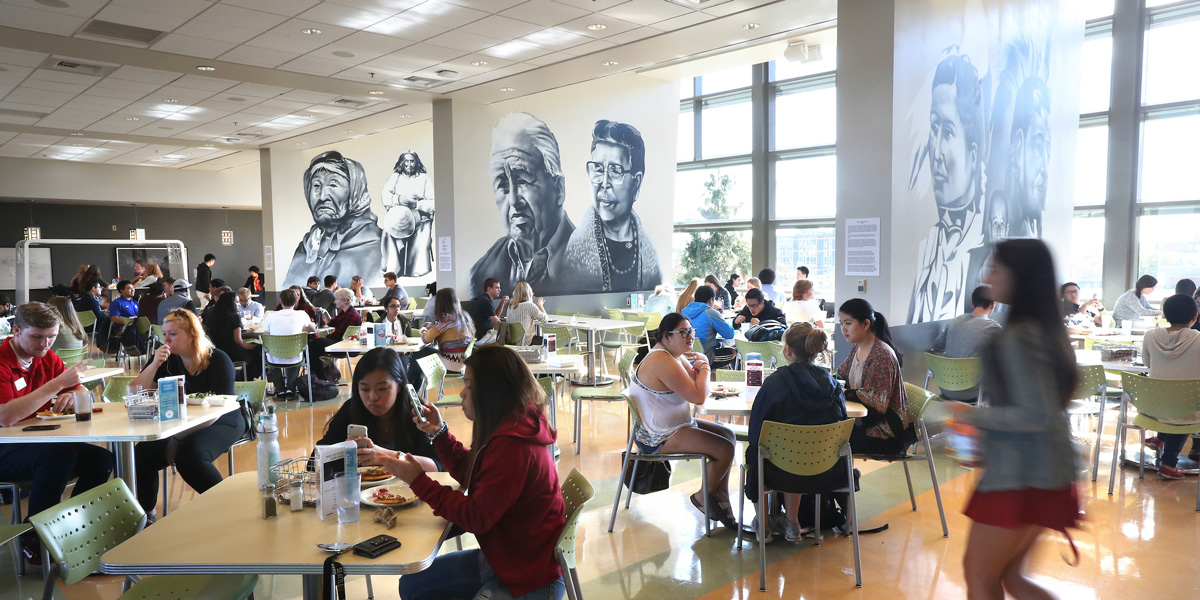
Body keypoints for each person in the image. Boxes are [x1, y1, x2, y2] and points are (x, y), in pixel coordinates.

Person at [948, 238, 1080, 600]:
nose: (988, 274)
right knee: (1010, 577)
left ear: (1019, 276)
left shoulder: (1020, 336)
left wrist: (973, 415)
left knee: (979, 575)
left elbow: (1035, 413)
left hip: (1022, 476)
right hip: (1042, 470)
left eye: (996, 267)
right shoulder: (1043, 330)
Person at [380, 346, 565, 600]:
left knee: (416, 587)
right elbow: (473, 473)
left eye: (468, 385)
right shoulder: (509, 423)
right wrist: (440, 432)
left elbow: (475, 516)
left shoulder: (514, 446)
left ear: (491, 392)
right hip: (509, 558)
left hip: (529, 577)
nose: (462, 394)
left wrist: (418, 481)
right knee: (412, 585)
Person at [0, 303, 115, 565]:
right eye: (37, 337)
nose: (46, 343)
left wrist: (71, 394)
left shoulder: (47, 358)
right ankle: (36, 535)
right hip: (5, 445)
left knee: (102, 459)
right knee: (59, 455)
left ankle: (71, 525)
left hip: (35, 440)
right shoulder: (2, 361)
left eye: (51, 336)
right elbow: (6, 417)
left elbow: (82, 393)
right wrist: (56, 385)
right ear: (16, 331)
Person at [131, 308, 242, 516]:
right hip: (183, 422)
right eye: (164, 334)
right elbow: (136, 392)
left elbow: (222, 406)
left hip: (224, 419)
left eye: (173, 334)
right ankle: (147, 515)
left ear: (192, 335)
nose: (167, 340)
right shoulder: (168, 359)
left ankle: (228, 510)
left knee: (190, 456)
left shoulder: (218, 359)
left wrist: (176, 439)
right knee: (142, 455)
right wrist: (154, 364)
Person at [630, 313, 737, 528]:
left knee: (729, 435)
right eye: (683, 332)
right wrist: (705, 365)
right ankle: (702, 497)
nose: (690, 336)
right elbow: (698, 395)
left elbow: (696, 383)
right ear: (666, 336)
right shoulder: (661, 359)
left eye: (691, 331)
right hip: (659, 435)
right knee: (724, 449)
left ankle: (720, 497)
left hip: (674, 425)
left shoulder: (673, 355)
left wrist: (700, 373)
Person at [746, 322, 849, 543]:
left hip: (775, 470)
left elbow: (755, 432)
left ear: (788, 350)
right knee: (802, 448)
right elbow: (841, 426)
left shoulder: (774, 383)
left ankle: (763, 525)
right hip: (824, 470)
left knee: (759, 451)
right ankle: (792, 523)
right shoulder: (832, 384)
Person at [909, 54, 988, 324]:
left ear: (974, 153)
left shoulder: (985, 248)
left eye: (949, 131)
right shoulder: (927, 246)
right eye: (934, 128)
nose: (937, 152)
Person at [469, 112, 575, 297]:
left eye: (523, 179)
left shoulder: (588, 266)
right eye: (502, 183)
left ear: (558, 189)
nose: (514, 201)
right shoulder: (481, 272)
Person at [564, 119, 662, 292]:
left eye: (616, 171)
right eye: (598, 169)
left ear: (636, 183)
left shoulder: (651, 258)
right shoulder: (574, 253)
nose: (604, 182)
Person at [317, 347, 440, 471]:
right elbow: (315, 462)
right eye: (365, 389)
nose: (373, 397)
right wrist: (343, 453)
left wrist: (383, 456)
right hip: (364, 490)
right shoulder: (351, 410)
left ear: (399, 386)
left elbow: (437, 467)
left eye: (382, 389)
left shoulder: (415, 414)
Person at [284, 150, 385, 288]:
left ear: (355, 191)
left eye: (333, 185)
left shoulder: (379, 245)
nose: (322, 196)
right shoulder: (307, 247)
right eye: (317, 186)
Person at [836, 298, 913, 455]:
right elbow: (840, 376)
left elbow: (877, 405)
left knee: (833, 441)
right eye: (841, 323)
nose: (843, 329)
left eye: (848, 323)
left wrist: (846, 392)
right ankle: (848, 478)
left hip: (887, 432)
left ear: (865, 324)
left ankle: (849, 478)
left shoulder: (881, 355)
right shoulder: (857, 348)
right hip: (867, 422)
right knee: (830, 434)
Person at [1139, 294, 1200, 480]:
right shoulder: (1198, 338)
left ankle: (1160, 438)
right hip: (1186, 409)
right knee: (1185, 406)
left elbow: (1146, 363)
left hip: (1153, 407)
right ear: (1195, 317)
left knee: (1170, 396)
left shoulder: (1150, 335)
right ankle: (1168, 463)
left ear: (1165, 315)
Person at [931, 286, 1001, 401]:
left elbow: (936, 347)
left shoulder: (953, 322)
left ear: (972, 303)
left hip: (946, 388)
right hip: (973, 392)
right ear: (993, 305)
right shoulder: (993, 327)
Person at [381, 151, 435, 277]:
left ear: (416, 162)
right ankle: (393, 268)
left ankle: (415, 270)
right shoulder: (395, 177)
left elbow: (433, 202)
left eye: (412, 161)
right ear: (402, 162)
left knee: (422, 231)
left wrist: (416, 204)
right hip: (399, 216)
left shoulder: (424, 178)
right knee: (388, 228)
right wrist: (398, 199)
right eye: (406, 161)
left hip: (420, 216)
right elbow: (385, 195)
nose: (409, 164)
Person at [408, 288, 474, 390]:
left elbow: (426, 340)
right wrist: (432, 326)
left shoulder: (445, 319)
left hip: (450, 364)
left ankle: (408, 388)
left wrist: (423, 331)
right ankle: (411, 391)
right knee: (421, 358)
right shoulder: (463, 317)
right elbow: (447, 330)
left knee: (420, 352)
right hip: (462, 364)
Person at [262, 289, 317, 395]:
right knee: (295, 352)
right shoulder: (302, 314)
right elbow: (312, 329)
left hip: (274, 356)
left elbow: (266, 333)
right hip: (294, 355)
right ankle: (291, 388)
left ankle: (279, 389)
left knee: (270, 355)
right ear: (296, 301)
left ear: (281, 301)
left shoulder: (270, 315)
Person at [205, 292, 262, 380]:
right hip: (233, 352)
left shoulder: (212, 316)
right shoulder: (234, 317)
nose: (239, 305)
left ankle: (242, 378)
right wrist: (249, 345)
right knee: (258, 352)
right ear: (230, 303)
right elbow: (238, 341)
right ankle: (244, 379)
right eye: (236, 302)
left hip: (219, 352)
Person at [307, 289, 362, 380]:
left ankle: (321, 377)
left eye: (337, 299)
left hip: (342, 345)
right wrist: (325, 313)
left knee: (312, 346)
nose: (334, 301)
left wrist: (325, 337)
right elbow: (332, 324)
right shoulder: (346, 312)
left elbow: (338, 335)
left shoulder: (350, 315)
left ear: (345, 300)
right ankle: (321, 376)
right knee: (313, 348)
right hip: (341, 342)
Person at [681, 286, 735, 363]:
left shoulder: (683, 312)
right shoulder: (710, 313)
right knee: (733, 351)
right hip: (704, 358)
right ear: (711, 300)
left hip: (684, 359)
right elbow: (730, 334)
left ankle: (711, 374)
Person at [71, 276, 111, 349]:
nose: (101, 288)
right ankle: (106, 345)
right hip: (91, 325)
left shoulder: (85, 297)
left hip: (82, 324)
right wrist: (109, 316)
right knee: (110, 321)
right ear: (93, 288)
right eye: (99, 287)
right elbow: (98, 316)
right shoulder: (91, 300)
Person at [109, 279, 145, 352]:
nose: (132, 290)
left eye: (133, 288)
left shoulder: (136, 303)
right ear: (122, 290)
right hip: (124, 328)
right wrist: (129, 322)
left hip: (137, 327)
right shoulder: (117, 303)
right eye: (129, 288)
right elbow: (114, 318)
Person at [469, 278, 507, 344]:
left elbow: (495, 315)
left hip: (483, 334)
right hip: (484, 336)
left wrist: (502, 303)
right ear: (489, 289)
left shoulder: (485, 298)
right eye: (497, 288)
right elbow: (496, 322)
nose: (500, 290)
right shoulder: (486, 301)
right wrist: (507, 330)